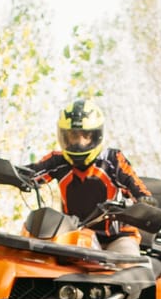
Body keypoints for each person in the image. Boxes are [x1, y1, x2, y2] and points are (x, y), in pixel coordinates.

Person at [24, 98, 151, 254]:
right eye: (73, 136)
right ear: (64, 136)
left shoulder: (112, 160)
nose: (79, 142)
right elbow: (30, 173)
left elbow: (137, 187)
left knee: (128, 265)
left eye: (85, 136)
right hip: (73, 236)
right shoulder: (57, 161)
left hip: (117, 239)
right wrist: (8, 173)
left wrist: (145, 201)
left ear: (96, 136)